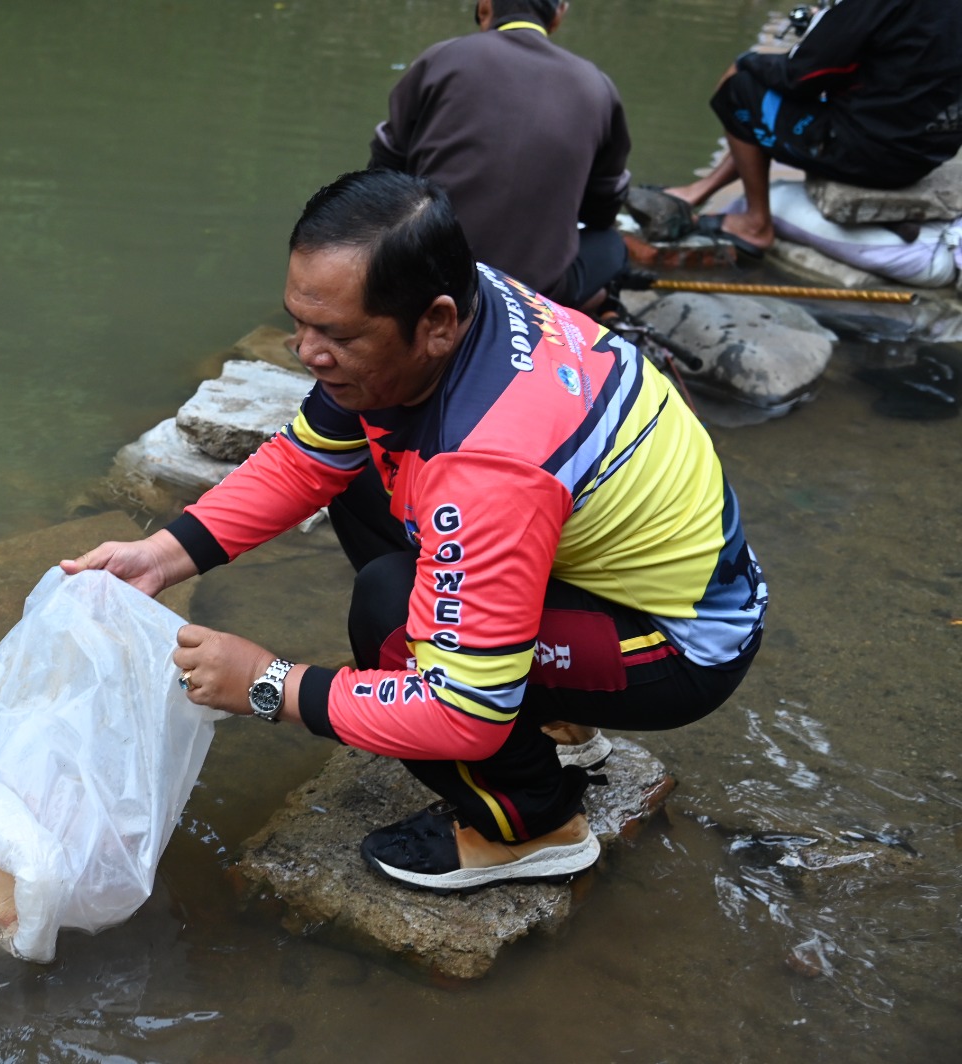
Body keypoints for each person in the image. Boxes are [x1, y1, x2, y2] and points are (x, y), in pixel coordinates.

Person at [62, 169, 766, 893]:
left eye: (336, 335)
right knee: (359, 482)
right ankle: (557, 723)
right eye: (300, 323)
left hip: (677, 642)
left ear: (436, 323)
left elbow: (462, 712)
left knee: (392, 617)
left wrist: (268, 684)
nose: (306, 351)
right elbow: (308, 458)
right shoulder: (459, 302)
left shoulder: (490, 462)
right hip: (607, 567)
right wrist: (161, 556)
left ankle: (533, 825)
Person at [368, 0, 631, 309]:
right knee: (612, 245)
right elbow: (602, 210)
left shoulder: (441, 58)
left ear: (484, 7)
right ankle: (585, 312)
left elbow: (381, 174)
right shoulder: (596, 86)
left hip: (422, 275)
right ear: (559, 14)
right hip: (530, 293)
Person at [666, 0, 962, 256]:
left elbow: (802, 76)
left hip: (869, 154)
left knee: (740, 86)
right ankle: (701, 190)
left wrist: (753, 60)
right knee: (766, 97)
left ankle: (755, 224)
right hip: (927, 151)